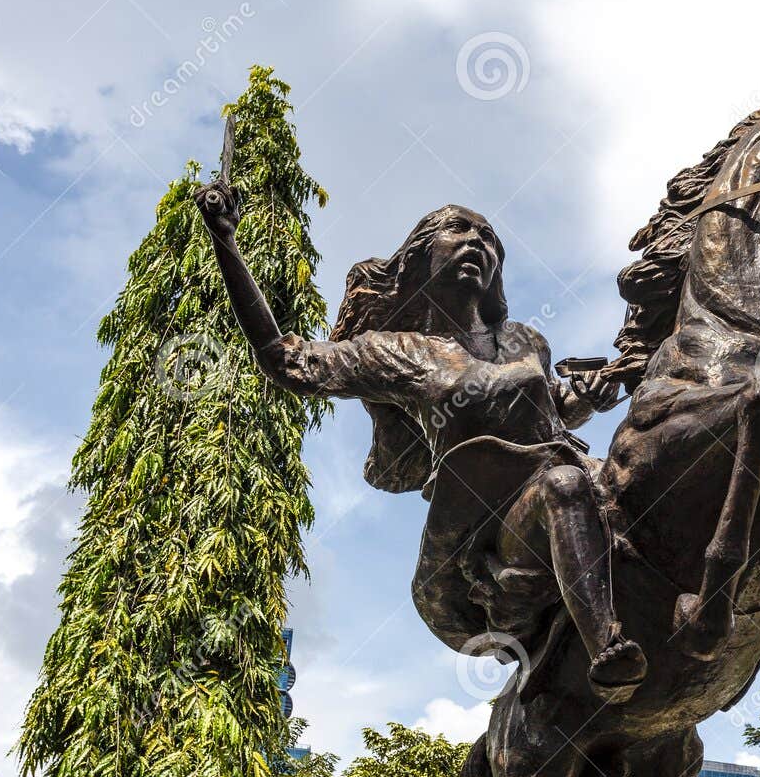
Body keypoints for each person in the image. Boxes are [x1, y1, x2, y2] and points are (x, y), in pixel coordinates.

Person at [195, 185, 647, 702]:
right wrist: (225, 240)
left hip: (563, 466)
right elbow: (284, 359)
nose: (477, 241)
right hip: (483, 517)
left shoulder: (524, 340)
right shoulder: (396, 352)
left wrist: (588, 399)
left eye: (490, 238)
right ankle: (608, 650)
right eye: (458, 229)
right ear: (420, 255)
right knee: (563, 486)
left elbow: (552, 411)